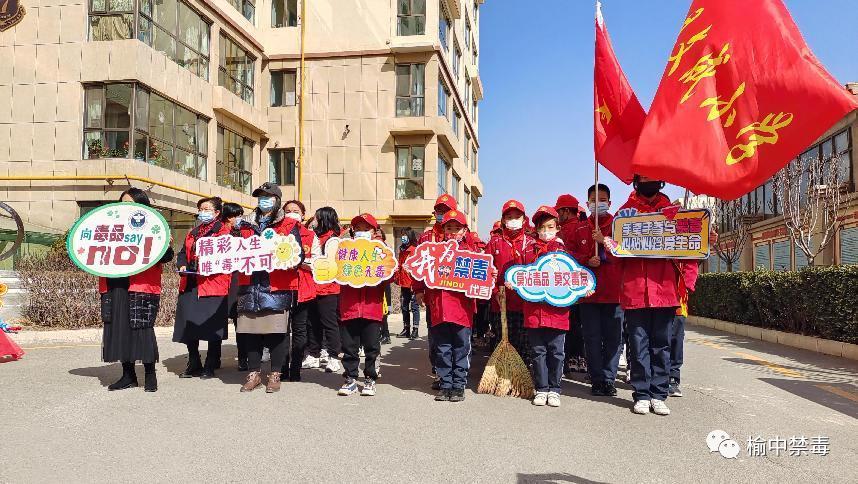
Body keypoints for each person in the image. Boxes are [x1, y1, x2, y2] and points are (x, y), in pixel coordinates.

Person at [618, 175, 682, 416]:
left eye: (653, 176)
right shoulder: (625, 213)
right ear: (636, 181)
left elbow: (689, 248)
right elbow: (616, 251)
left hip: (665, 288)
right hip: (636, 290)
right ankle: (642, 394)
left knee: (661, 345)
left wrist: (706, 241)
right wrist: (606, 243)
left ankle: (659, 393)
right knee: (638, 344)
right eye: (644, 177)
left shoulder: (674, 212)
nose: (649, 181)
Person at [100, 187, 175, 392]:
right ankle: (128, 375)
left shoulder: (155, 226)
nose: (126, 208)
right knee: (118, 328)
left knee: (141, 328)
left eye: (131, 204)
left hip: (140, 283)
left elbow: (167, 257)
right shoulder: (109, 226)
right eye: (123, 204)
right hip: (115, 283)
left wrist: (165, 246)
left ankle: (150, 374)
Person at [236, 183, 305, 393]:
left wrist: (287, 258)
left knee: (277, 334)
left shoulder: (287, 225)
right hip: (250, 285)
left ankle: (275, 374)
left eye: (268, 196)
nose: (263, 200)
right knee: (251, 333)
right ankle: (254, 373)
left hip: (276, 286)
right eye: (260, 196)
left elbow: (298, 254)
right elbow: (232, 249)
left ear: (277, 200)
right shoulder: (244, 225)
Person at [414, 210, 478, 402]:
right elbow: (419, 270)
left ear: (464, 230)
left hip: (462, 310)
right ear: (443, 230)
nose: (453, 232)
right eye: (449, 228)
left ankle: (458, 385)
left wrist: (489, 278)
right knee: (442, 348)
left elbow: (483, 275)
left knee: (461, 347)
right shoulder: (434, 251)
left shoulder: (471, 252)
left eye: (457, 228)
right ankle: (445, 383)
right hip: (439, 307)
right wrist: (418, 290)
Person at [570, 184, 624, 397]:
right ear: (587, 203)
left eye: (602, 200)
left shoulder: (617, 224)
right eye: (594, 200)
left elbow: (624, 252)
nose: (598, 203)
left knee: (613, 339)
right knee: (591, 338)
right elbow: (570, 254)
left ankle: (609, 379)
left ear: (609, 203)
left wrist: (605, 243)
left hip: (613, 292)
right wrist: (586, 260)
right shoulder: (580, 228)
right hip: (588, 294)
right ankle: (597, 379)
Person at [173, 197, 232, 379]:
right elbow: (183, 252)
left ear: (216, 213)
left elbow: (227, 256)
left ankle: (211, 363)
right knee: (188, 324)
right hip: (191, 282)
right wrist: (182, 264)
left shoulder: (224, 233)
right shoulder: (194, 232)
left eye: (207, 209)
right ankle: (194, 361)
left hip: (212, 283)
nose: (203, 211)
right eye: (200, 208)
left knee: (212, 326)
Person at [519, 206, 570, 407]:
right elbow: (520, 273)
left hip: (558, 312)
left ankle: (555, 389)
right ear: (536, 228)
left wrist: (584, 288)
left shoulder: (564, 251)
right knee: (538, 351)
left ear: (557, 228)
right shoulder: (528, 250)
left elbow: (574, 278)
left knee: (556, 351)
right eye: (542, 227)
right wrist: (513, 281)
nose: (546, 230)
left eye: (550, 226)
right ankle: (541, 388)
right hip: (534, 311)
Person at [337, 213, 388, 397]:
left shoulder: (381, 251)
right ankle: (350, 378)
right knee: (349, 346)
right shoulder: (343, 250)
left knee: (372, 347)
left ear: (375, 231)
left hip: (371, 307)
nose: (361, 232)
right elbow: (332, 272)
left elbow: (390, 276)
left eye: (366, 229)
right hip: (349, 306)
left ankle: (370, 378)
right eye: (357, 229)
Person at [485, 200, 536, 361]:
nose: (513, 220)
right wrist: (494, 293)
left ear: (524, 219)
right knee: (502, 341)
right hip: (500, 303)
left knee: (523, 343)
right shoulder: (494, 243)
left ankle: (522, 377)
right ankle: (503, 376)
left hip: (524, 304)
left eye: (517, 216)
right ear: (503, 220)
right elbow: (485, 271)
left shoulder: (531, 243)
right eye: (509, 216)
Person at [418, 195, 458, 389]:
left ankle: (456, 376)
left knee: (458, 339)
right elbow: (417, 265)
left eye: (446, 210)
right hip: (434, 297)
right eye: (439, 211)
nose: (442, 215)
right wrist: (418, 291)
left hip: (458, 299)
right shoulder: (426, 238)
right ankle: (439, 372)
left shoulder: (461, 235)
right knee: (436, 337)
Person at [281, 199, 321, 382]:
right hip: (280, 287)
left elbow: (318, 263)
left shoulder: (311, 236)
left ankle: (295, 368)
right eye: (287, 210)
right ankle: (281, 368)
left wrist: (300, 262)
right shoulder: (275, 233)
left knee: (299, 330)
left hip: (303, 288)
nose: (291, 213)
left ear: (303, 214)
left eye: (295, 210)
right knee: (281, 330)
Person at [304, 206, 343, 373]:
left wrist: (306, 263)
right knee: (312, 323)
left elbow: (328, 264)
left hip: (328, 288)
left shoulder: (333, 240)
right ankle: (314, 354)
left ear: (324, 219)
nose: (314, 221)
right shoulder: (315, 237)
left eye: (317, 218)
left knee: (329, 323)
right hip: (313, 286)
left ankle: (334, 357)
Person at [555, 194, 587, 376]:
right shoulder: (561, 230)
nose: (558, 215)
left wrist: (565, 255)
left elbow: (585, 255)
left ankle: (573, 358)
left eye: (559, 211)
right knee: (573, 325)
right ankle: (570, 359)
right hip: (564, 286)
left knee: (573, 326)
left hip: (573, 286)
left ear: (566, 211)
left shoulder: (578, 228)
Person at [221, 202, 247, 371]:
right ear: (229, 217)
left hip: (238, 279)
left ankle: (243, 357)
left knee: (241, 321)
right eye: (237, 215)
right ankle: (213, 358)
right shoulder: (218, 232)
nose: (239, 218)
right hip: (220, 281)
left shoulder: (242, 233)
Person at [670, 260, 700, 397]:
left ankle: (673, 378)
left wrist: (686, 286)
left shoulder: (684, 240)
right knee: (655, 339)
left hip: (677, 300)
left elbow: (691, 264)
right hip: (655, 297)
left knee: (676, 341)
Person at [395, 228, 420, 340]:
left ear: (410, 236)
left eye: (405, 235)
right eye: (402, 235)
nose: (403, 237)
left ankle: (415, 329)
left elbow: (417, 268)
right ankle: (406, 328)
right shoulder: (402, 250)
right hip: (403, 283)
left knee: (414, 307)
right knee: (404, 307)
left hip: (412, 283)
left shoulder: (415, 250)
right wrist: (397, 278)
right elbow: (400, 266)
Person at [375, 227, 392, 345]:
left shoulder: (383, 246)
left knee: (383, 310)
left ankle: (385, 334)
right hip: (377, 283)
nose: (376, 235)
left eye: (378, 232)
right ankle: (383, 334)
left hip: (382, 284)